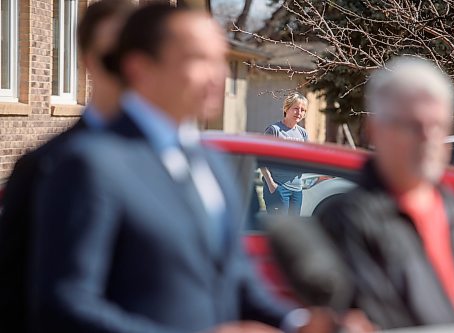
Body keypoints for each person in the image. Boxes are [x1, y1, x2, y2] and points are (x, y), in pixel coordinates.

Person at [29, 4, 331, 333]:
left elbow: (233, 278)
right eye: (198, 59)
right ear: (139, 69)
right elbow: (66, 305)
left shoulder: (211, 161)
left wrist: (299, 322)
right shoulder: (89, 164)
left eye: (219, 58)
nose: (218, 74)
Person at [319, 56, 454, 329]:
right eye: (413, 126)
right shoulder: (349, 220)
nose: (428, 139)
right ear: (375, 131)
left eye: (437, 126)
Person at [0, 1, 134, 331]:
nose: (133, 71)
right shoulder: (44, 167)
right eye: (115, 59)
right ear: (89, 62)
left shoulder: (183, 162)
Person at [261, 92, 309, 215]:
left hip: (297, 189)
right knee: (278, 231)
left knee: (291, 231)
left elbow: (307, 159)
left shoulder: (303, 134)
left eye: (303, 110)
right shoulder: (274, 130)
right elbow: (261, 159)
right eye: (296, 108)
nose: (299, 112)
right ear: (286, 108)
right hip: (278, 187)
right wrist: (271, 184)